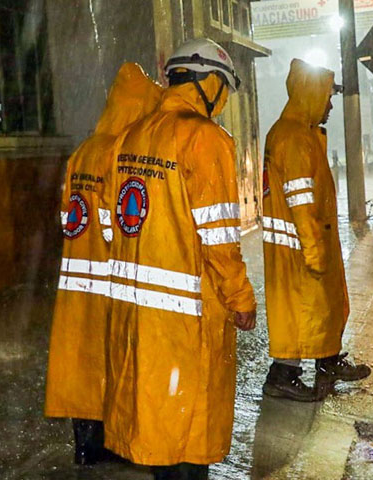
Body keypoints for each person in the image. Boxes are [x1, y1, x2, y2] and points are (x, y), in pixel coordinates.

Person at [101, 38, 257, 480]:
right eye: (223, 89)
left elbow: (112, 226)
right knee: (191, 427)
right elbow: (219, 238)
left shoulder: (130, 136)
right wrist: (240, 298)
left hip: (137, 313)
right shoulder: (206, 139)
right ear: (209, 83)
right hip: (188, 316)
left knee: (156, 419)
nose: (223, 101)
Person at [44, 63, 162, 465]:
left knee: (81, 358)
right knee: (113, 359)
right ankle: (110, 443)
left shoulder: (83, 150)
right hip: (111, 278)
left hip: (78, 278)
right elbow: (120, 224)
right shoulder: (121, 151)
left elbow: (67, 215)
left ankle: (85, 444)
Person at [260, 58, 371, 402]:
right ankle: (283, 374)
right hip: (299, 245)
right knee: (299, 311)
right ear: (311, 95)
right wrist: (313, 249)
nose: (330, 105)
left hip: (306, 241)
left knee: (322, 306)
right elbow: (300, 201)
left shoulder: (300, 133)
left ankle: (327, 360)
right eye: (327, 97)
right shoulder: (294, 138)